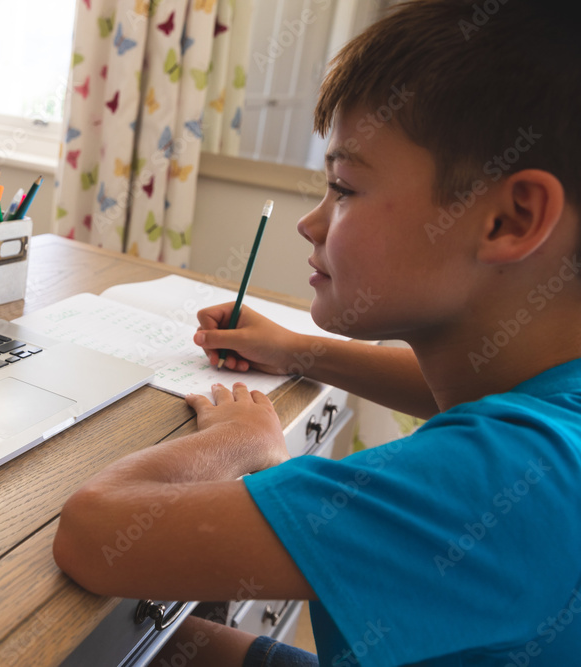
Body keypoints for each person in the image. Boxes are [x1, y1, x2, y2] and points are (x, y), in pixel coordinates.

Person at [53, 2, 581, 665]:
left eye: (344, 187)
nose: (312, 223)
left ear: (511, 218)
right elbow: (443, 387)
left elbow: (93, 530)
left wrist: (242, 444)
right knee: (152, 644)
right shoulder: (551, 400)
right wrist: (291, 347)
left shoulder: (508, 478)